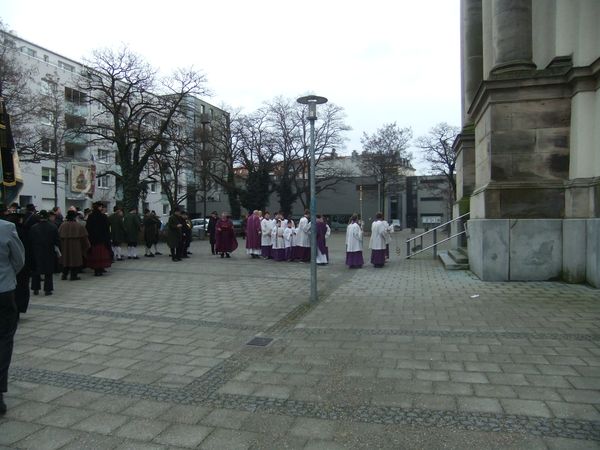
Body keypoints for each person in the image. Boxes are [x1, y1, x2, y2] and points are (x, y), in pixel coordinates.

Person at [0, 215, 25, 415]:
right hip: (3, 291)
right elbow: (19, 260)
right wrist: (7, 276)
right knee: (4, 339)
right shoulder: (6, 228)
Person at [29, 210, 60, 296]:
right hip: (49, 251)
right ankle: (48, 289)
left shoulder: (33, 227)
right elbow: (57, 241)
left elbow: (30, 240)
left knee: (36, 270)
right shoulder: (53, 227)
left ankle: (35, 288)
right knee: (48, 271)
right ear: (47, 217)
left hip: (36, 251)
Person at [59, 210, 90, 280]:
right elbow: (84, 237)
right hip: (76, 246)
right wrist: (86, 246)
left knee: (66, 260)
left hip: (65, 246)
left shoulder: (63, 225)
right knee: (75, 260)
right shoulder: (78, 226)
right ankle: (73, 275)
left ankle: (64, 275)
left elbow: (59, 237)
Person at [86, 202, 112, 276]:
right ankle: (100, 268)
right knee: (101, 254)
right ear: (99, 207)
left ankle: (96, 269)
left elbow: (88, 228)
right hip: (102, 239)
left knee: (95, 254)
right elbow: (107, 227)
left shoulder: (90, 216)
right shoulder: (103, 216)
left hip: (93, 239)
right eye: (101, 207)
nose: (102, 208)